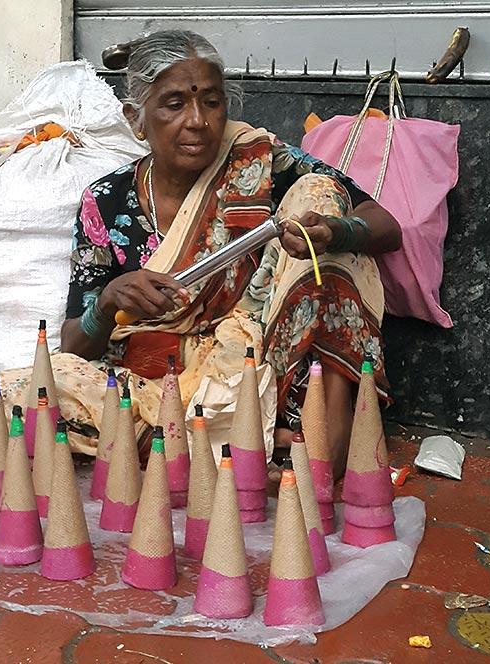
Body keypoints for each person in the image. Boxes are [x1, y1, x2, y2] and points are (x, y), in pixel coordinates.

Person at [61, 30, 401, 476]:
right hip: (155, 378)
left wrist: (335, 231)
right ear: (136, 119)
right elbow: (72, 345)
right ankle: (248, 441)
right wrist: (107, 303)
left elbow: (386, 226)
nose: (198, 121)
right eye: (175, 103)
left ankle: (318, 440)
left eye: (212, 102)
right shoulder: (106, 201)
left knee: (323, 206)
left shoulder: (258, 161)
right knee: (42, 391)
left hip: (257, 361)